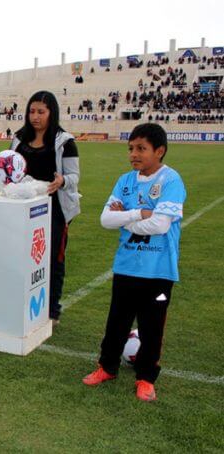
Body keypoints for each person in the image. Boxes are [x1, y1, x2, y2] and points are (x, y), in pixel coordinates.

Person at [83, 123, 185, 402]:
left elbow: (161, 225)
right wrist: (138, 213)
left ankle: (145, 378)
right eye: (131, 148)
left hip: (159, 270)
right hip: (126, 266)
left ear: (159, 151)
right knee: (116, 322)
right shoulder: (124, 181)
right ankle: (107, 367)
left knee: (152, 327)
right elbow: (106, 220)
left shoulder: (171, 181)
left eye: (141, 148)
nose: (133, 154)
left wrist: (125, 217)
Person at [10, 91, 80, 325]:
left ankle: (52, 309)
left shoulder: (64, 142)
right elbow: (11, 168)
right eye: (32, 111)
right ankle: (23, 300)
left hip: (54, 210)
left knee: (53, 260)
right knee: (23, 256)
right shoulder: (19, 139)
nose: (35, 117)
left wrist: (62, 181)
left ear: (52, 113)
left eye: (41, 112)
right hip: (22, 209)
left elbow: (73, 176)